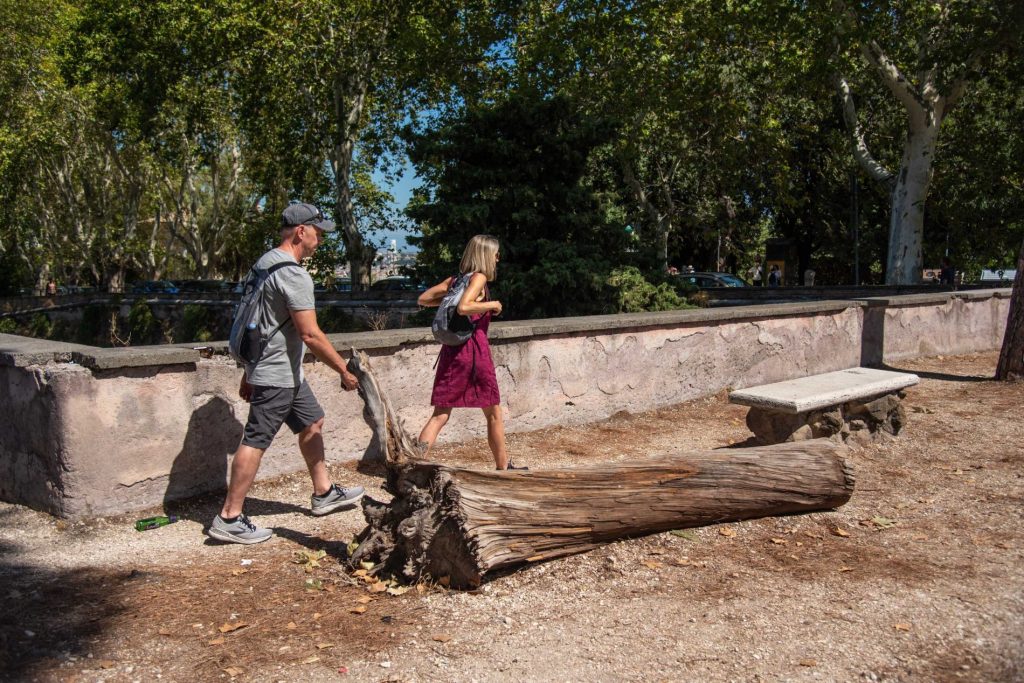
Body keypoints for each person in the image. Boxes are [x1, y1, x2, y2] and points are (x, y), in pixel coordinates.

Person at [207, 202, 365, 545]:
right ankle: (229, 516)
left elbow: (253, 321)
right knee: (256, 439)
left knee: (312, 421)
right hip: (277, 371)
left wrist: (249, 371)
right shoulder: (293, 274)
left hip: (279, 368)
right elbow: (309, 333)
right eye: (317, 233)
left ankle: (323, 492)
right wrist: (343, 369)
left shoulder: (263, 264)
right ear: (301, 231)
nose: (320, 240)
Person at [416, 234, 525, 471]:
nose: (498, 258)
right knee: (493, 412)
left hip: (451, 352)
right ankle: (503, 468)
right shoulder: (479, 278)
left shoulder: (455, 280)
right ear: (486, 255)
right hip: (474, 352)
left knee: (440, 414)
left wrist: (449, 302)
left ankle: (414, 463)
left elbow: (423, 299)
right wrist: (491, 304)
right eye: (495, 254)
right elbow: (465, 307)